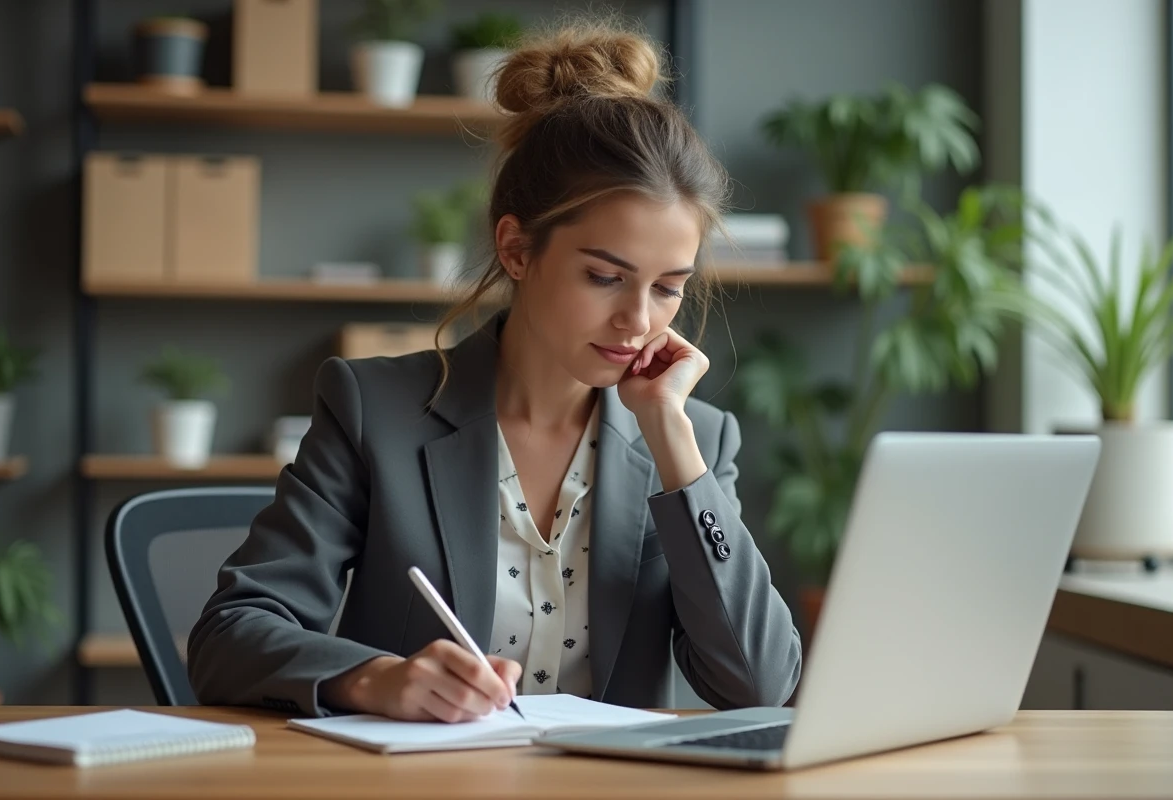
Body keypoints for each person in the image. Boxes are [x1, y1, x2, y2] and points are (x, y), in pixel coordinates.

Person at [187, 22, 801, 722]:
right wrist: (375, 679)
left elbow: (758, 684)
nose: (638, 320)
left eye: (668, 287)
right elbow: (229, 634)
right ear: (515, 248)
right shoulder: (374, 410)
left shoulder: (697, 442)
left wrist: (670, 438)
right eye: (605, 276)